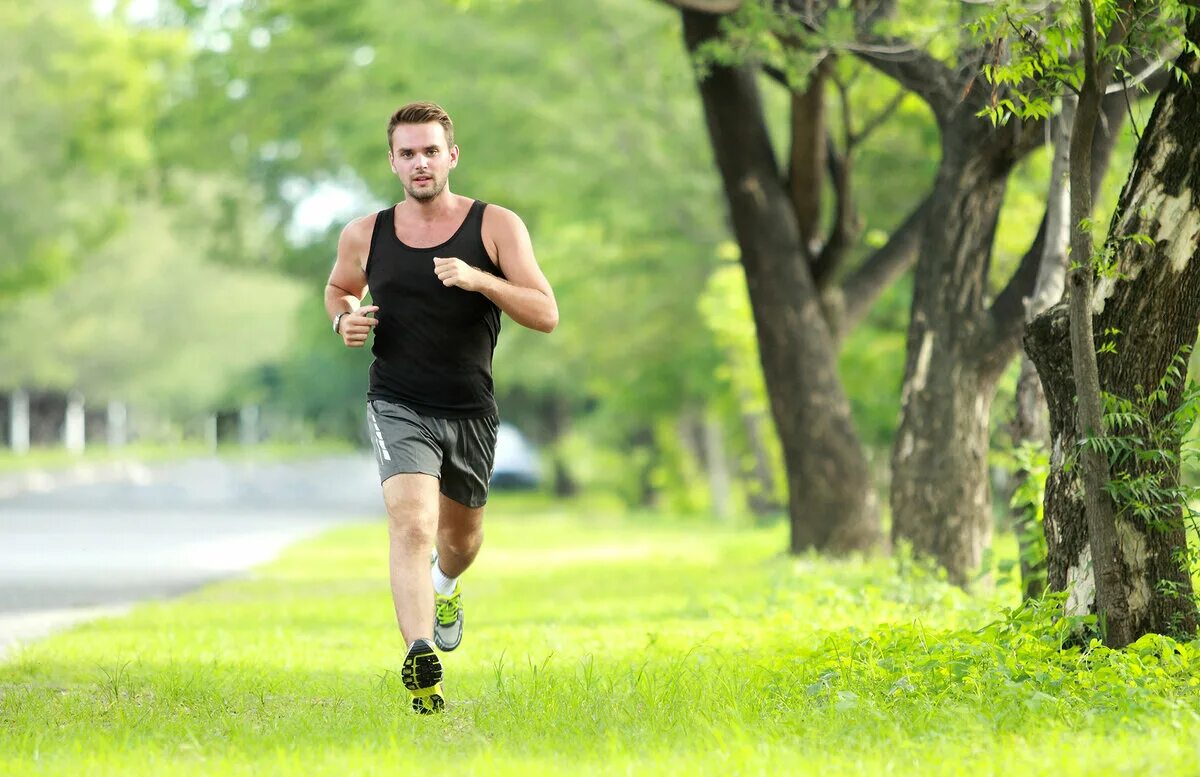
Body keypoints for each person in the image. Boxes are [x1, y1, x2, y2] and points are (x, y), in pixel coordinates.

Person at [323, 102, 558, 714]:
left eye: (430, 150)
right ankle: (422, 659)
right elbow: (339, 289)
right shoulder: (364, 233)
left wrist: (482, 281)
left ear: (451, 155)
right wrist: (344, 319)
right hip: (397, 401)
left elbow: (545, 313)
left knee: (461, 541)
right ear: (393, 162)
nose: (420, 162)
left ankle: (446, 587)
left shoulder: (495, 226)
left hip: (471, 409)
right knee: (411, 523)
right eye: (408, 153)